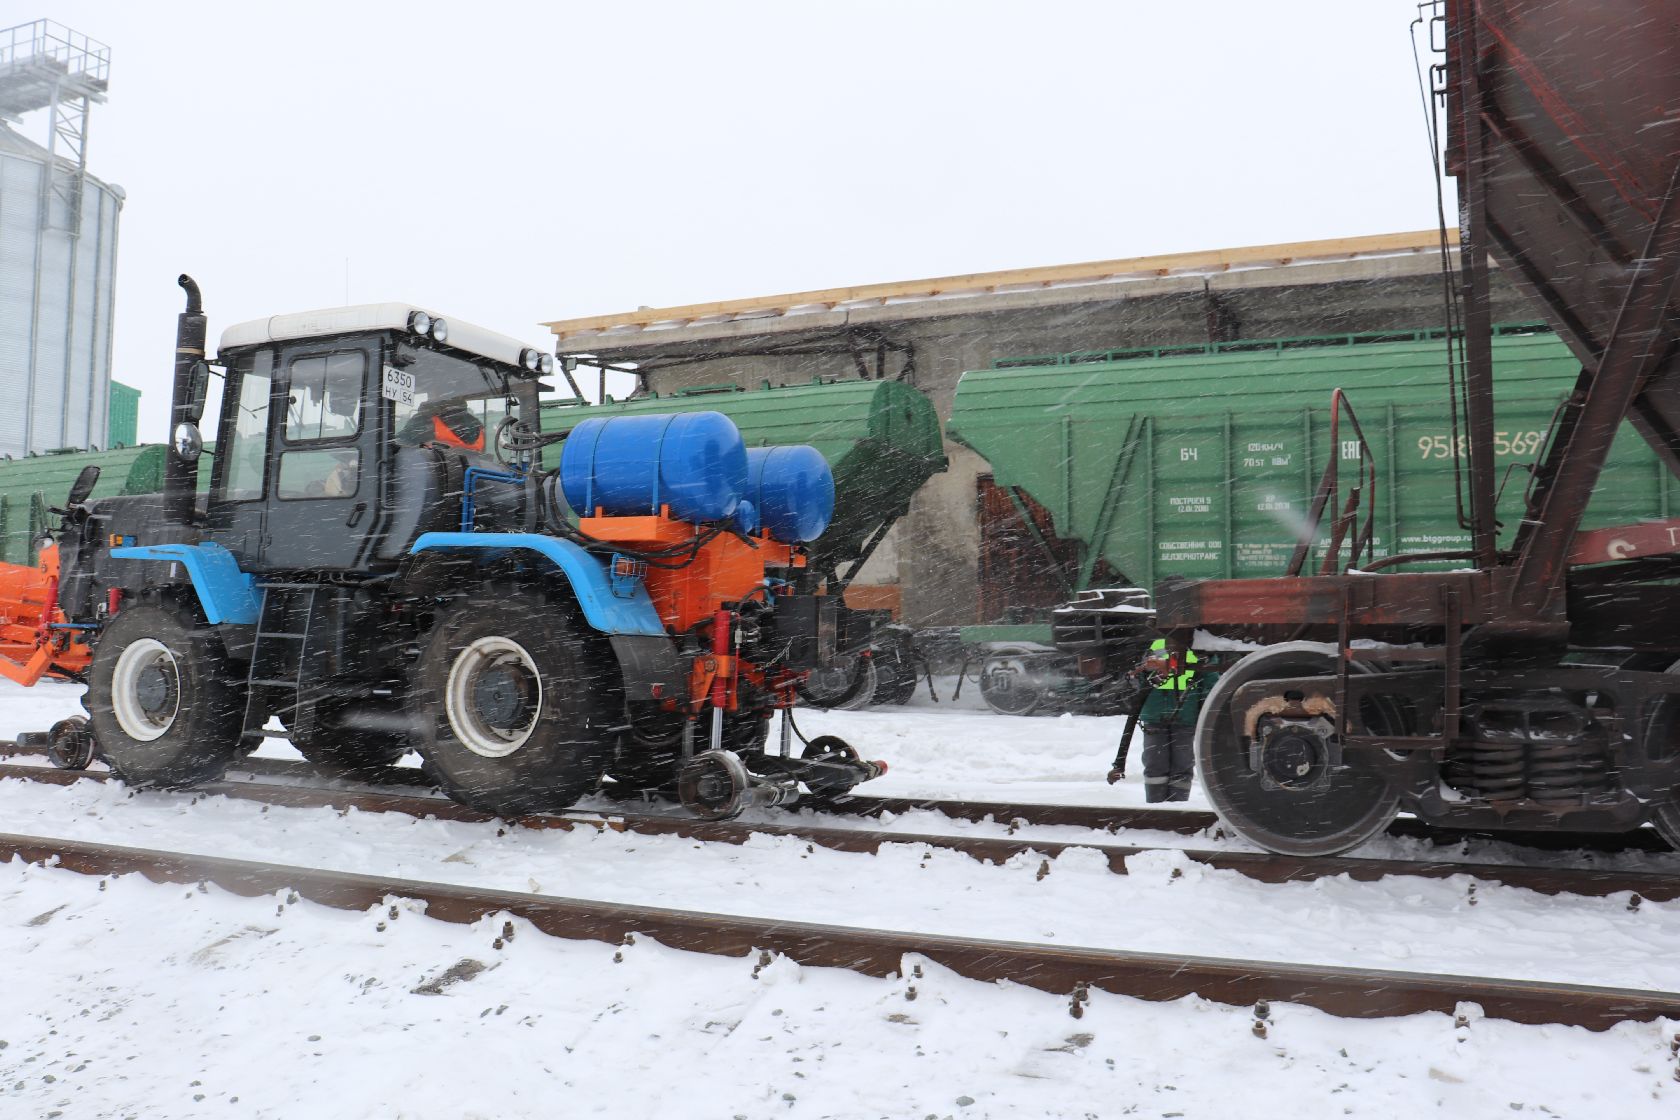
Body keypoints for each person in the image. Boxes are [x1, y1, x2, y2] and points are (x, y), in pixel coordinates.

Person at [1135, 638, 1217, 803]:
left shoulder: (1155, 646)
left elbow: (1210, 681)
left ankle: (1166, 806)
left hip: (1168, 714)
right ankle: (1169, 806)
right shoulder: (1199, 649)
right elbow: (1211, 682)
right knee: (1172, 763)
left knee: (1167, 763)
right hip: (1176, 714)